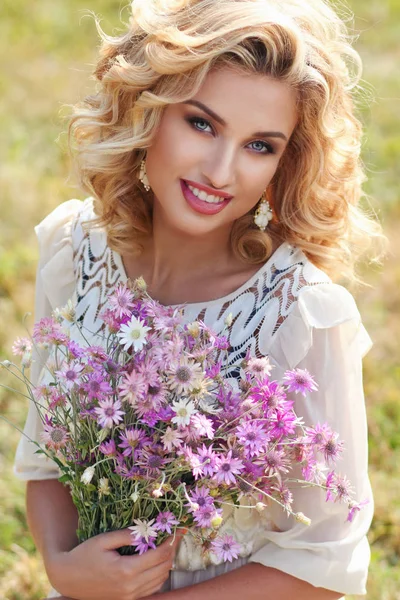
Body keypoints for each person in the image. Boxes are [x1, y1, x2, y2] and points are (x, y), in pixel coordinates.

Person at [14, 0, 384, 598]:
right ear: (148, 108)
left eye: (259, 146)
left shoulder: (301, 314)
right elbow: (46, 454)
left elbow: (325, 561)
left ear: (284, 163)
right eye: (202, 124)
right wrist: (62, 565)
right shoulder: (76, 250)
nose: (220, 171)